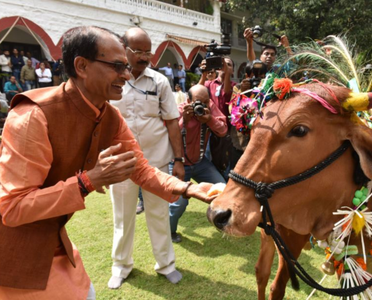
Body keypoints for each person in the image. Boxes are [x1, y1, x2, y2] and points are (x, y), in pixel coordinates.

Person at [0, 26, 215, 300]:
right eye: (117, 66)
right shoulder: (32, 117)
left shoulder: (108, 115)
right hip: (15, 256)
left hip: (54, 241)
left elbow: (142, 170)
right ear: (82, 66)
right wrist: (89, 181)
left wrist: (187, 189)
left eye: (126, 66)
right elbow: (14, 207)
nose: (126, 76)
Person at [108, 27, 186, 289]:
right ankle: (121, 266)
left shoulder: (159, 81)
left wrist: (178, 160)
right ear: (125, 50)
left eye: (148, 51)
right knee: (123, 216)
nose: (144, 56)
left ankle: (166, 265)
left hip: (156, 160)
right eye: (138, 51)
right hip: (121, 161)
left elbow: (173, 123)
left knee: (158, 213)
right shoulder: (112, 79)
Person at [169, 84, 227, 243]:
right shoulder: (179, 110)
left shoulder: (210, 107)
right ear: (188, 101)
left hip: (201, 162)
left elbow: (223, 130)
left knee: (223, 189)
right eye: (197, 102)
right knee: (178, 204)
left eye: (206, 101)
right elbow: (168, 135)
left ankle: (222, 221)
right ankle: (169, 232)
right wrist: (184, 121)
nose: (202, 105)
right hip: (178, 163)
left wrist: (210, 119)